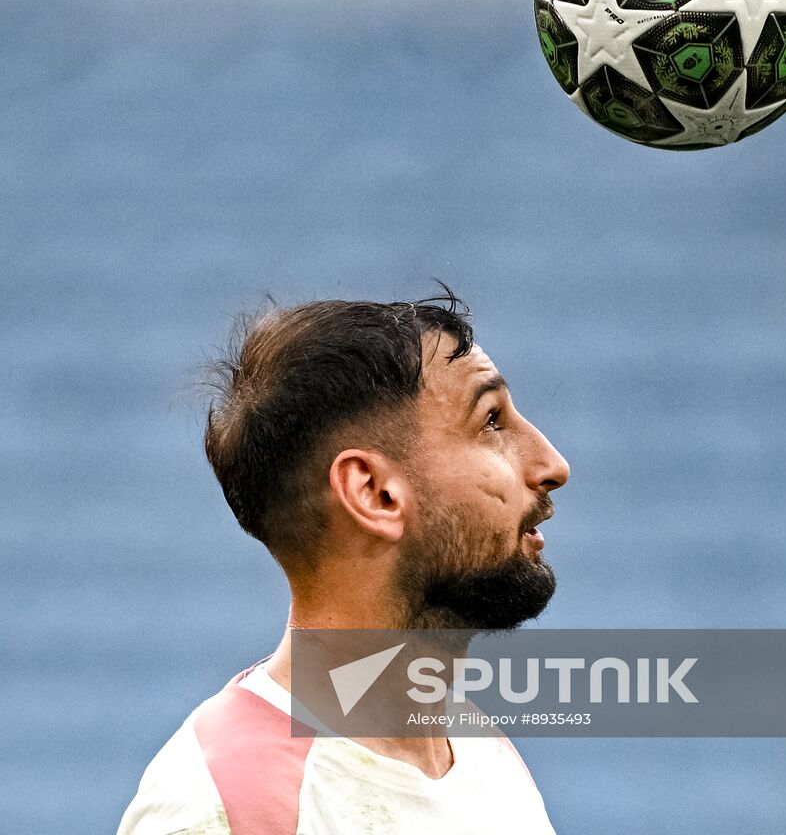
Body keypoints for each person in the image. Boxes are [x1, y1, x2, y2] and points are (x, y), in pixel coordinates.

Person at [118, 290, 570, 834]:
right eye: (491, 422)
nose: (552, 464)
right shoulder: (221, 807)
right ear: (374, 493)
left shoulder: (478, 751)